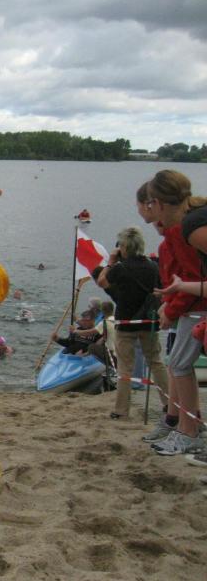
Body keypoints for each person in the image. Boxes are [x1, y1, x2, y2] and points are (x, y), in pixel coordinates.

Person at [142, 170, 207, 455]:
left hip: (196, 310)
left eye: (149, 205)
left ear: (156, 203)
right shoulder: (186, 225)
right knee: (177, 364)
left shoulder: (190, 227)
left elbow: (193, 275)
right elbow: (194, 278)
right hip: (194, 306)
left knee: (179, 365)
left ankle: (188, 430)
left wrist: (173, 306)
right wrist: (177, 292)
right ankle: (185, 427)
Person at [93, 227, 169, 421]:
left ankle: (121, 410)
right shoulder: (152, 266)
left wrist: (111, 262)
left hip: (126, 321)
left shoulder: (120, 268)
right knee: (156, 362)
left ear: (124, 247)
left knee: (125, 367)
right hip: (148, 320)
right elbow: (161, 289)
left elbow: (101, 281)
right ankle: (169, 403)